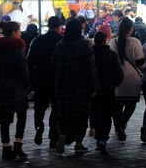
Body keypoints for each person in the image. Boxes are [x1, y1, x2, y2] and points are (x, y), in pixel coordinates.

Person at [51, 17, 96, 154]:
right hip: (81, 85)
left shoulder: (60, 45)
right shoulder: (85, 45)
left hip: (63, 84)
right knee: (81, 113)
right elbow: (91, 67)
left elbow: (53, 64)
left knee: (64, 111)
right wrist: (94, 85)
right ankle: (79, 142)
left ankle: (63, 134)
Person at [0, 20, 30, 160]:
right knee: (22, 115)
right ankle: (18, 144)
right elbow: (23, 71)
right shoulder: (18, 49)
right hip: (17, 87)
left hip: (2, 87)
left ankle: (6, 147)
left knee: (4, 118)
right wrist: (27, 85)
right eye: (18, 31)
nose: (20, 34)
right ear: (13, 33)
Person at [27, 16, 64, 147]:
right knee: (56, 108)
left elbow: (29, 61)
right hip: (56, 79)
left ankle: (39, 127)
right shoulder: (62, 41)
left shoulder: (37, 40)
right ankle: (53, 136)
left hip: (40, 78)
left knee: (40, 106)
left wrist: (32, 79)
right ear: (59, 27)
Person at [109, 17, 144, 140]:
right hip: (132, 79)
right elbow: (140, 62)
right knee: (131, 105)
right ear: (131, 29)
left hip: (116, 78)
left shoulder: (113, 42)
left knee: (117, 106)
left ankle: (118, 126)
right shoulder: (135, 42)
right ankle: (122, 124)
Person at [91, 30, 123, 155]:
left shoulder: (90, 54)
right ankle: (102, 139)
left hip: (93, 90)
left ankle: (95, 132)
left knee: (95, 112)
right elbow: (119, 74)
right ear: (106, 41)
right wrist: (113, 85)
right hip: (108, 90)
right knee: (105, 115)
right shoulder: (111, 55)